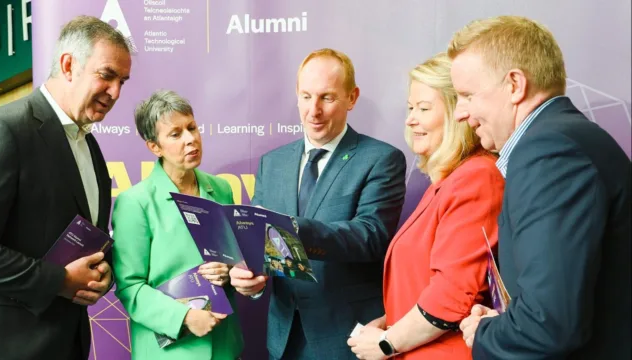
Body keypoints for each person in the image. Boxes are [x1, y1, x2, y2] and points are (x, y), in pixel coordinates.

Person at [450, 16, 631, 359]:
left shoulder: (548, 151)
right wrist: (509, 322)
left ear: (515, 85)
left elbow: (547, 325)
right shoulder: (563, 139)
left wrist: (485, 332)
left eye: (466, 95)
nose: (460, 112)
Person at [230, 48, 407, 359]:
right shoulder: (273, 163)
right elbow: (256, 243)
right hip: (283, 339)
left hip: (347, 339)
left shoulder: (381, 159)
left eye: (327, 97)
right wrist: (250, 278)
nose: (314, 110)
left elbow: (371, 236)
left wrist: (294, 230)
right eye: (306, 96)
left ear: (352, 98)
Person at [347, 53, 504, 359]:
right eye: (410, 108)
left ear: (458, 113)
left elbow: (454, 293)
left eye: (423, 108)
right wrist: (390, 323)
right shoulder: (448, 181)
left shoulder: (477, 177)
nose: (410, 119)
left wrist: (387, 342)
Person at [0, 16, 131, 359]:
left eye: (123, 82)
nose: (115, 92)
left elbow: (88, 235)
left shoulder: (91, 145)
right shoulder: (6, 129)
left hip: (71, 342)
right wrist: (58, 280)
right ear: (69, 65)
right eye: (107, 75)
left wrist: (104, 271)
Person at [111, 90, 243, 359]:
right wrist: (184, 317)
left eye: (192, 128)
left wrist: (228, 271)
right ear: (154, 147)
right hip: (169, 351)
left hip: (224, 346)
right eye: (176, 134)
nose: (191, 139)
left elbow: (235, 261)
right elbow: (129, 287)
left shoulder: (221, 189)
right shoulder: (134, 203)